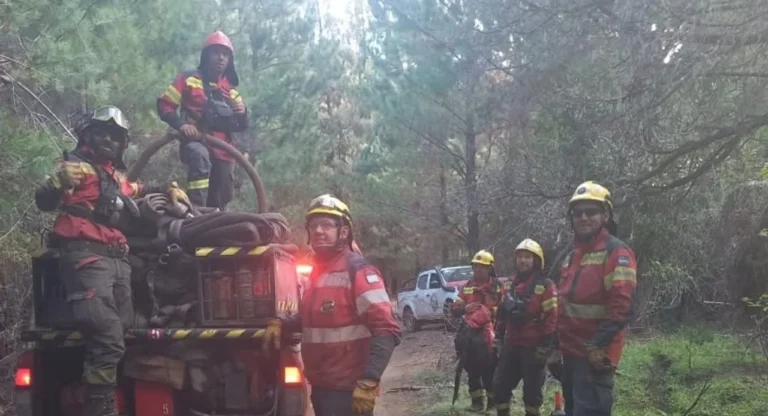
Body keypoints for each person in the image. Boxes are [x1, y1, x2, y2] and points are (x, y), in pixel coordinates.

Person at [34, 106, 189, 416]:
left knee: (125, 334)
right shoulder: (76, 169)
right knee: (108, 342)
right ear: (88, 135)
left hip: (118, 263)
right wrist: (54, 183)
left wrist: (168, 189)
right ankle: (100, 409)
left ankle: (106, 395)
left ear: (122, 144)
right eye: (102, 132)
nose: (108, 139)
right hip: (88, 261)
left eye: (115, 136)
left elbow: (138, 189)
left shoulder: (111, 177)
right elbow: (45, 201)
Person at [262, 194, 401, 416]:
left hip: (349, 392)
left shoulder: (359, 272)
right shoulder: (317, 273)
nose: (318, 231)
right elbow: (315, 319)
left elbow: (387, 330)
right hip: (322, 387)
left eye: (326, 225)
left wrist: (369, 381)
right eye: (313, 225)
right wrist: (283, 323)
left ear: (343, 232)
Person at [557, 181, 637, 416]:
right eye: (577, 213)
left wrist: (596, 345)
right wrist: (553, 345)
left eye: (590, 212)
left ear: (606, 215)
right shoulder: (572, 256)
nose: (583, 218)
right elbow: (562, 304)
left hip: (595, 356)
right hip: (570, 353)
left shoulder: (617, 252)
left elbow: (622, 307)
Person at [157, 30, 249, 210]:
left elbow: (242, 126)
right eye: (215, 52)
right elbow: (164, 106)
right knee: (200, 157)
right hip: (196, 142)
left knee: (221, 198)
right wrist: (182, 125)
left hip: (224, 152)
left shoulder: (231, 92)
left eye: (225, 54)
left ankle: (215, 225)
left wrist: (243, 113)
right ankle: (196, 211)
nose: (220, 58)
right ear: (206, 55)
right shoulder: (188, 79)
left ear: (230, 60)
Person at [492, 239, 557, 416]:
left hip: (534, 347)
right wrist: (498, 338)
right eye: (520, 257)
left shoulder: (546, 285)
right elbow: (502, 315)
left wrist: (545, 346)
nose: (523, 261)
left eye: (527, 257)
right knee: (499, 386)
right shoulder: (509, 284)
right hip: (511, 345)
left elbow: (552, 318)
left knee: (532, 393)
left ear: (536, 260)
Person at [451, 250, 503, 412]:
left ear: (490, 268)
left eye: (482, 267)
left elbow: (506, 308)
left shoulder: (498, 287)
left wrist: (491, 313)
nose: (478, 269)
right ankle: (476, 403)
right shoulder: (467, 287)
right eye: (476, 266)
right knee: (472, 371)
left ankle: (492, 404)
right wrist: (463, 308)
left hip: (490, 336)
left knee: (489, 371)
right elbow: (454, 308)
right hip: (469, 337)